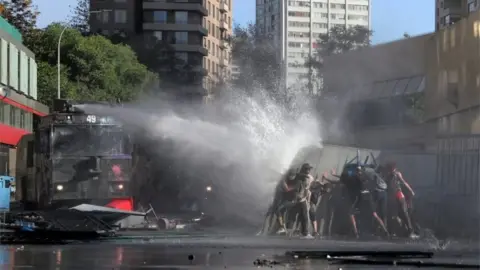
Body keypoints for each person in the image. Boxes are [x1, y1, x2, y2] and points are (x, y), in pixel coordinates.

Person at [341, 165, 389, 238]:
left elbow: (344, 180)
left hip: (361, 198)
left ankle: (356, 233)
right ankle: (386, 231)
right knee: (375, 215)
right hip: (368, 197)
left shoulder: (355, 178)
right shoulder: (367, 177)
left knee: (351, 213)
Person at [384, 162, 418, 239]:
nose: (391, 170)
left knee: (404, 212)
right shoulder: (387, 176)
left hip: (398, 194)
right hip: (392, 197)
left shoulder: (397, 174)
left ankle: (410, 230)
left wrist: (411, 191)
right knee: (395, 216)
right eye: (390, 169)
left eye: (392, 169)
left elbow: (404, 182)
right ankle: (401, 230)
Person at [258, 168, 296, 235]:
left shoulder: (280, 181)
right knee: (273, 213)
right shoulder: (282, 181)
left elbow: (285, 189)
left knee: (275, 213)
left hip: (276, 199)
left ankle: (278, 228)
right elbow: (287, 189)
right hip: (276, 199)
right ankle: (265, 229)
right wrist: (294, 187)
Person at [291, 163, 314, 238]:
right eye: (307, 169)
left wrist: (307, 199)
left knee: (301, 215)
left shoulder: (306, 177)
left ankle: (302, 232)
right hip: (299, 198)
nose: (309, 170)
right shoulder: (301, 177)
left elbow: (306, 189)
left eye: (309, 169)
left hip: (301, 198)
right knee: (302, 216)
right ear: (304, 169)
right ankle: (304, 233)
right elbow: (300, 188)